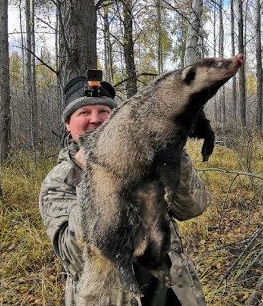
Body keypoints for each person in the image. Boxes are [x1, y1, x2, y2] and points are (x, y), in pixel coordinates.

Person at [39, 75, 208, 306]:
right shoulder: (59, 182)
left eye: (103, 111)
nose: (95, 120)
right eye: (83, 113)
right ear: (68, 124)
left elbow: (193, 207)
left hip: (172, 292)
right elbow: (73, 256)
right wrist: (94, 177)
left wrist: (172, 151)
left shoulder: (145, 160)